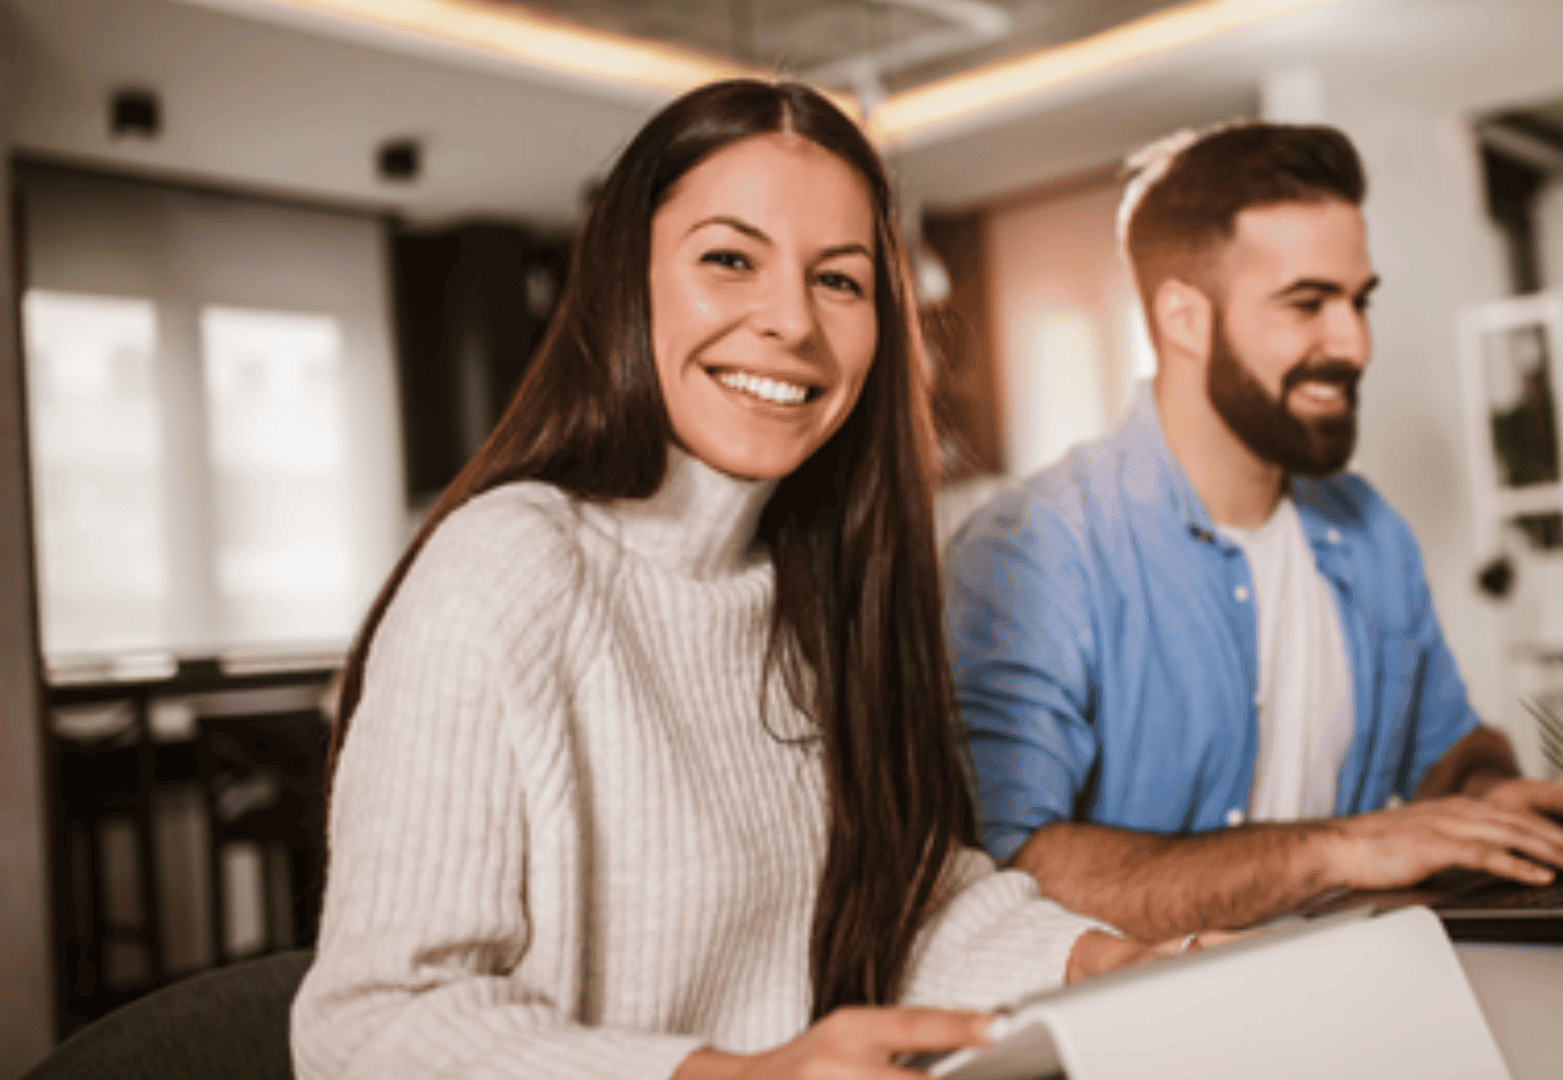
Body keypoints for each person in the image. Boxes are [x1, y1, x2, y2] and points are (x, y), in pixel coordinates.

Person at [292, 79, 1187, 1080]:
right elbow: (367, 1029)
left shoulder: (825, 587)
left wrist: (1112, 961)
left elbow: (913, 911)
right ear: (625, 283)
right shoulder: (505, 570)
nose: (791, 323)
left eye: (839, 281)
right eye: (730, 260)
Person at [943, 122, 1563, 943]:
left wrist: (1488, 792)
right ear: (1185, 317)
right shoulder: (1031, 551)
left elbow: (1447, 747)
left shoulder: (1368, 530)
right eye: (1308, 304)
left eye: (1359, 301)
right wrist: (1334, 851)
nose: (1355, 343)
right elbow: (1013, 871)